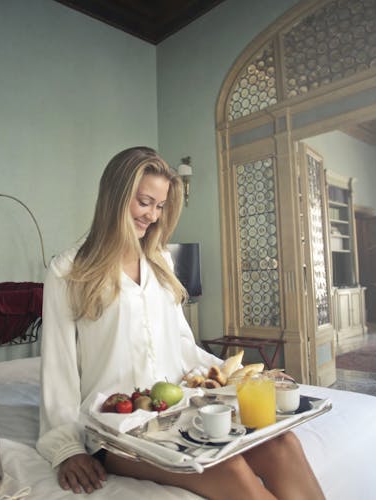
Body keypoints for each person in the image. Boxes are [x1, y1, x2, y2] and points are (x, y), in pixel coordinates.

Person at [37, 146, 324, 499]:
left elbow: (185, 348)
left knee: (283, 444)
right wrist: (68, 450)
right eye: (144, 202)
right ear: (115, 196)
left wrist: (250, 377)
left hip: (179, 411)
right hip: (117, 429)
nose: (153, 216)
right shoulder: (68, 271)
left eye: (159, 206)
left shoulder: (159, 262)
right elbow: (58, 372)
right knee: (229, 468)